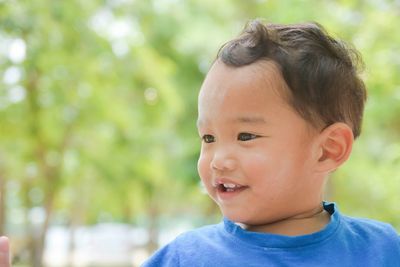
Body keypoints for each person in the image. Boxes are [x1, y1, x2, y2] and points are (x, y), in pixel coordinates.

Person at [142, 20, 400, 266]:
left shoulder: (382, 249)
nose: (218, 160)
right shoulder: (186, 257)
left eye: (245, 136)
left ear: (326, 150)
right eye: (208, 138)